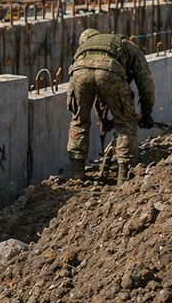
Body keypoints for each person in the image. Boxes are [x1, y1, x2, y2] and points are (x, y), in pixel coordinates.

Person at [66, 28, 157, 185]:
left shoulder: (83, 50)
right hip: (109, 72)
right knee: (125, 122)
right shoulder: (125, 44)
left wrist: (102, 118)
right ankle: (124, 177)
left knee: (79, 121)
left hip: (78, 73)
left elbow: (94, 86)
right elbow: (146, 84)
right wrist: (146, 112)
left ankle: (77, 172)